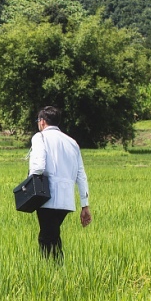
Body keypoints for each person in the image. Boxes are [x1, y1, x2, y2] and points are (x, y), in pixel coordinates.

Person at [28, 106, 92, 261]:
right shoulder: (72, 142)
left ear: (42, 122)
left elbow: (38, 167)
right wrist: (85, 205)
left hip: (46, 197)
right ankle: (57, 272)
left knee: (46, 239)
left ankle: (52, 273)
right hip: (66, 201)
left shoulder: (40, 137)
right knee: (52, 235)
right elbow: (81, 175)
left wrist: (29, 187)